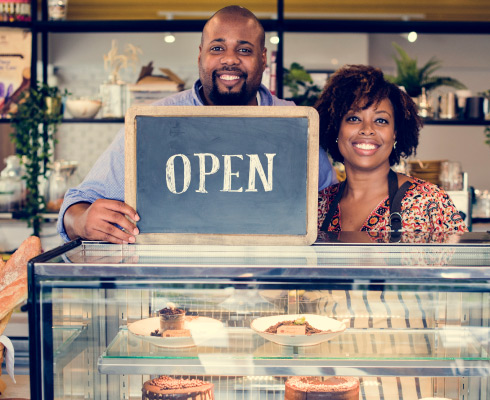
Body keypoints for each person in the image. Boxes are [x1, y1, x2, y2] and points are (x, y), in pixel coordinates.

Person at [57, 5, 337, 244]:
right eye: (218, 48)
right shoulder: (154, 122)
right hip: (175, 296)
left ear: (263, 58)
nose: (230, 59)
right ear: (200, 54)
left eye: (244, 49)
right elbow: (78, 203)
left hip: (271, 291)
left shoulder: (297, 126)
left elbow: (333, 206)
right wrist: (82, 221)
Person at [314, 64, 466, 234]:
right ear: (336, 129)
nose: (367, 129)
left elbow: (464, 260)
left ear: (395, 134)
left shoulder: (430, 203)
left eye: (381, 120)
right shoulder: (318, 206)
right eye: (354, 118)